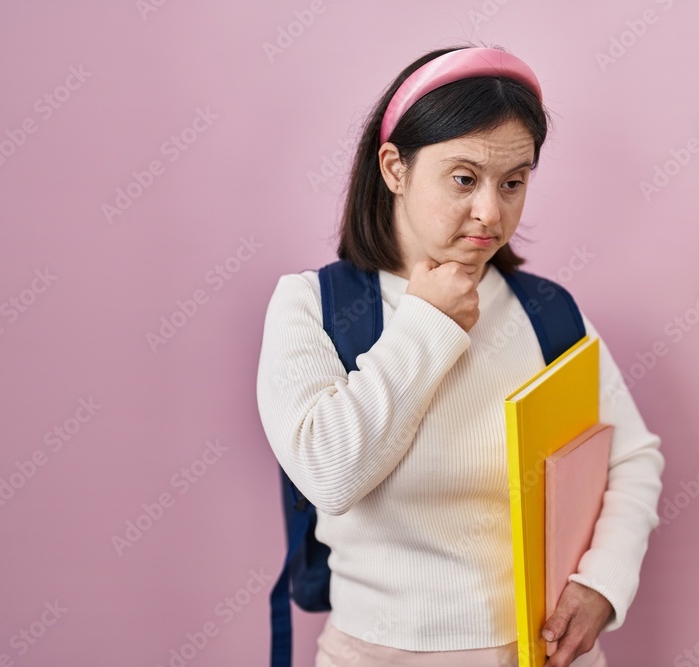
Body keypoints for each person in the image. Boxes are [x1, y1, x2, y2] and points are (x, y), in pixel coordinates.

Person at [256, 44, 664, 667]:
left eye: (513, 182)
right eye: (464, 179)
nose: (490, 213)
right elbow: (329, 476)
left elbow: (631, 456)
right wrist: (429, 322)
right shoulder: (312, 306)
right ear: (394, 167)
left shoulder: (547, 312)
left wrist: (602, 583)